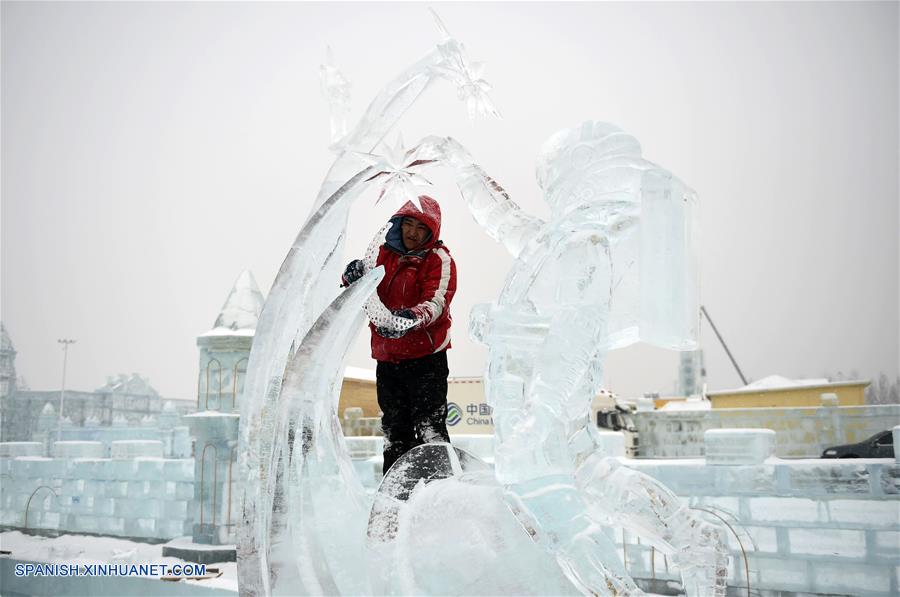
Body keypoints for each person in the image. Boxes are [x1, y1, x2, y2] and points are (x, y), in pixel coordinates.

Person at [342, 195, 457, 474]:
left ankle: (442, 489)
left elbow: (437, 302)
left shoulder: (438, 259)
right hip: (388, 359)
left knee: (430, 429)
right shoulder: (383, 256)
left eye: (421, 228)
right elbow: (362, 286)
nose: (413, 233)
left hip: (426, 360)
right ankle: (395, 497)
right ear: (399, 224)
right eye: (408, 224)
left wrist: (410, 318)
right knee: (395, 433)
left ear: (432, 232)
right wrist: (351, 275)